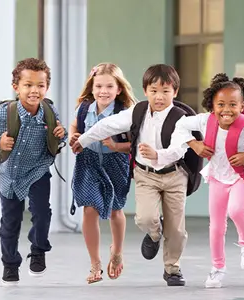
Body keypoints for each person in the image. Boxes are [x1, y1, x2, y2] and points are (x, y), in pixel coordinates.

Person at [72, 64, 190, 286]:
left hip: (174, 175)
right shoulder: (137, 112)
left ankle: (172, 269)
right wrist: (82, 140)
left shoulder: (181, 118)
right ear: (145, 91)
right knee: (145, 218)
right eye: (154, 91)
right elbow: (107, 125)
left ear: (175, 92)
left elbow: (180, 149)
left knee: (176, 228)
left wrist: (158, 154)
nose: (159, 96)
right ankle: (154, 234)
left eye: (166, 91)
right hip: (146, 175)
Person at [172, 73, 244, 288]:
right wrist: (194, 144)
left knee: (236, 209)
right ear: (211, 105)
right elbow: (180, 125)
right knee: (215, 227)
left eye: (233, 104)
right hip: (217, 178)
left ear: (243, 105)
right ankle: (217, 268)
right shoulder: (205, 121)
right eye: (220, 104)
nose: (226, 110)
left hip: (242, 176)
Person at [0, 58, 66, 286]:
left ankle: (38, 250)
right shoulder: (5, 113)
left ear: (46, 87)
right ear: (16, 87)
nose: (34, 90)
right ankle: (10, 265)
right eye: (28, 85)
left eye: (40, 85)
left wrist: (62, 133)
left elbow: (60, 135)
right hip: (9, 174)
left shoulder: (49, 110)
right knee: (10, 222)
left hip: (38, 169)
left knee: (42, 213)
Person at [69, 63, 137, 284]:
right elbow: (73, 127)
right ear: (92, 87)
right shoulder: (83, 109)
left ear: (119, 89)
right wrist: (73, 136)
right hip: (88, 162)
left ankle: (116, 252)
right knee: (90, 209)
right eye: (99, 86)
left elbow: (136, 145)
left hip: (115, 163)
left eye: (109, 86)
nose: (103, 91)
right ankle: (95, 263)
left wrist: (117, 146)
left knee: (116, 210)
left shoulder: (126, 112)